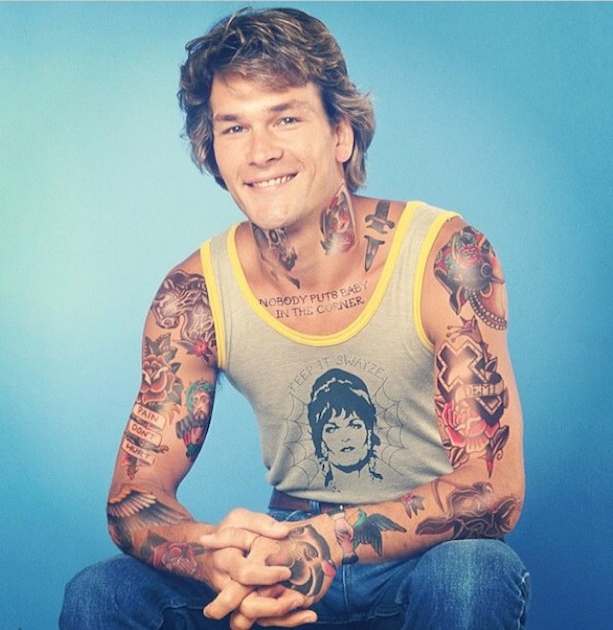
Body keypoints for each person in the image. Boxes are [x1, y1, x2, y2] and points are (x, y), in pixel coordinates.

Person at [60, 6, 530, 629]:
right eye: (234, 127)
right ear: (213, 151)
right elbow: (132, 498)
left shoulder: (445, 257)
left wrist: (330, 540)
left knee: (475, 572)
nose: (261, 152)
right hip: (284, 554)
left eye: (285, 117)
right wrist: (216, 558)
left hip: (422, 557)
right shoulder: (194, 296)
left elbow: (494, 491)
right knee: (101, 594)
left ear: (341, 135)